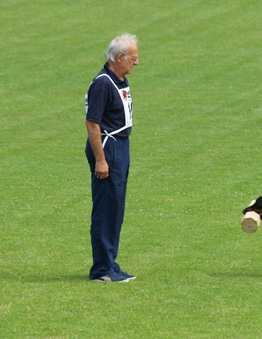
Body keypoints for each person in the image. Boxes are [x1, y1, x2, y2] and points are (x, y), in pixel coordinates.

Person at [85, 34, 139, 282]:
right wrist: (101, 159)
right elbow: (92, 123)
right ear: (119, 58)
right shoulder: (103, 83)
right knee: (106, 209)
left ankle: (110, 263)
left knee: (115, 208)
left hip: (120, 146)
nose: (136, 63)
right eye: (133, 58)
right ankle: (101, 270)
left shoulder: (119, 79)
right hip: (108, 148)